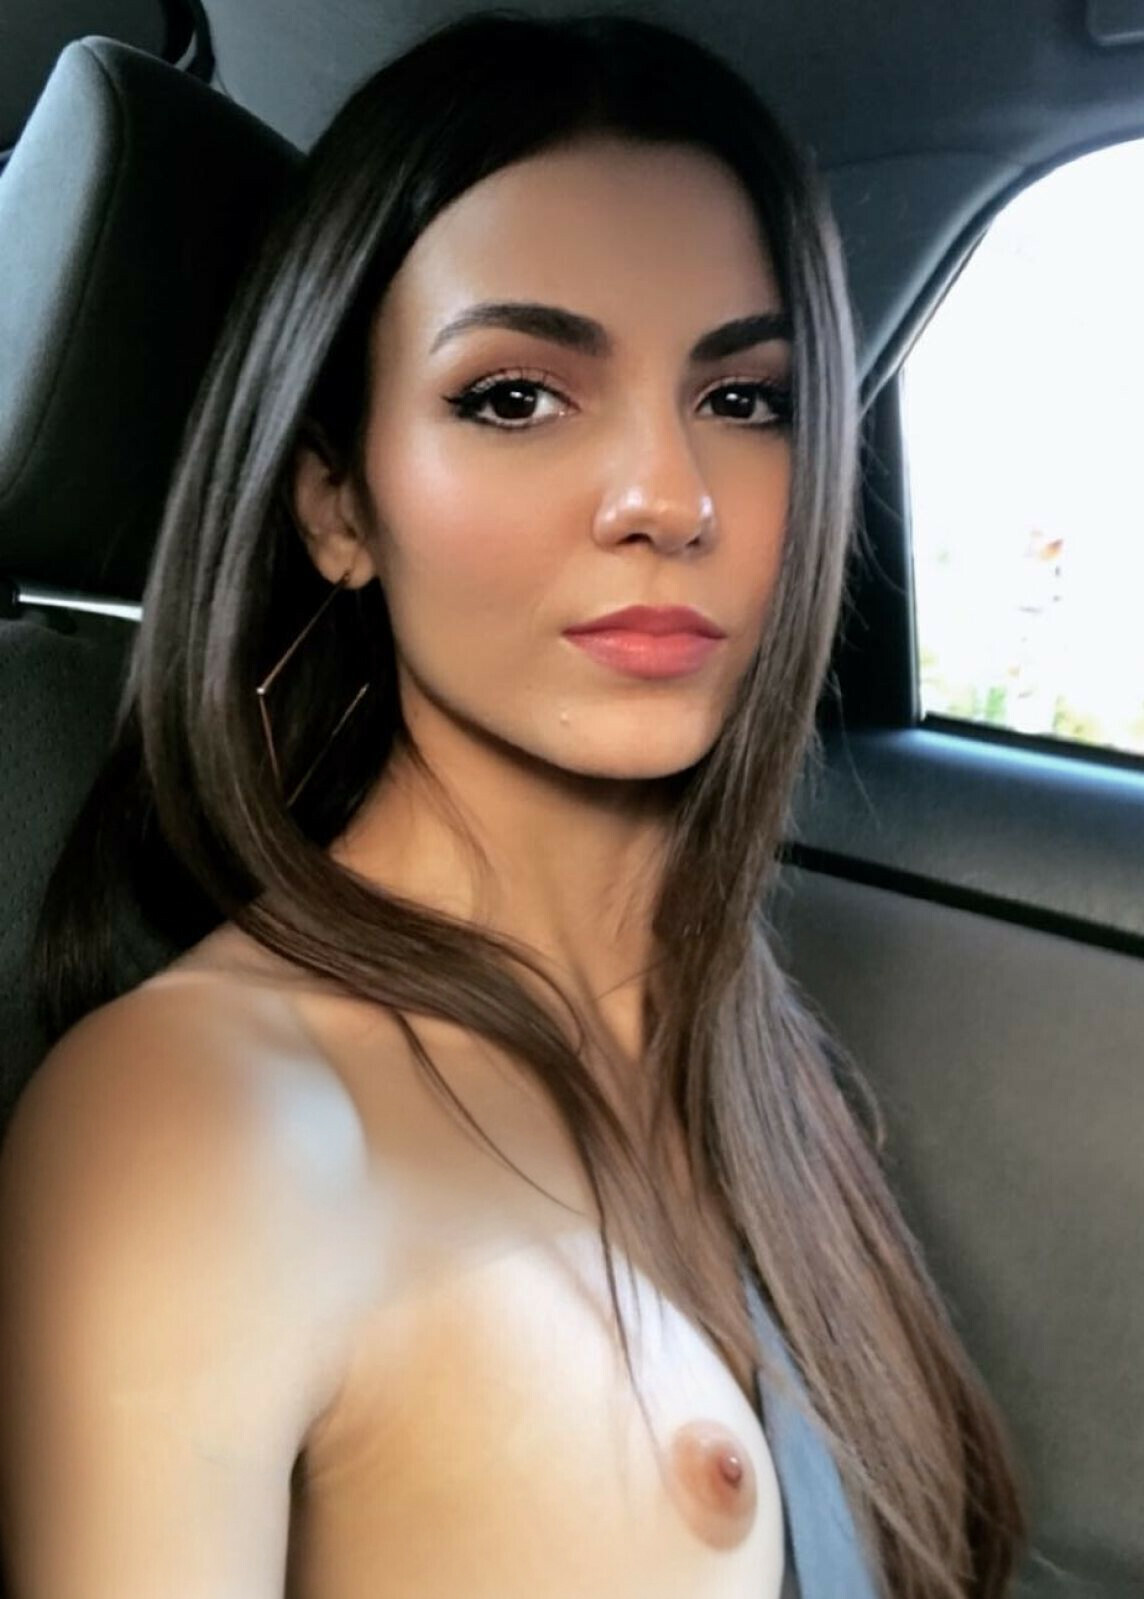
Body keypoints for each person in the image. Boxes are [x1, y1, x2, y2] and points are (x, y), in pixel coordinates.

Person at [0, 11, 1027, 1597]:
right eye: (515, 397)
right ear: (337, 503)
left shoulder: (754, 1064)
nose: (668, 496)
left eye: (745, 400)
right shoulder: (211, 1126)